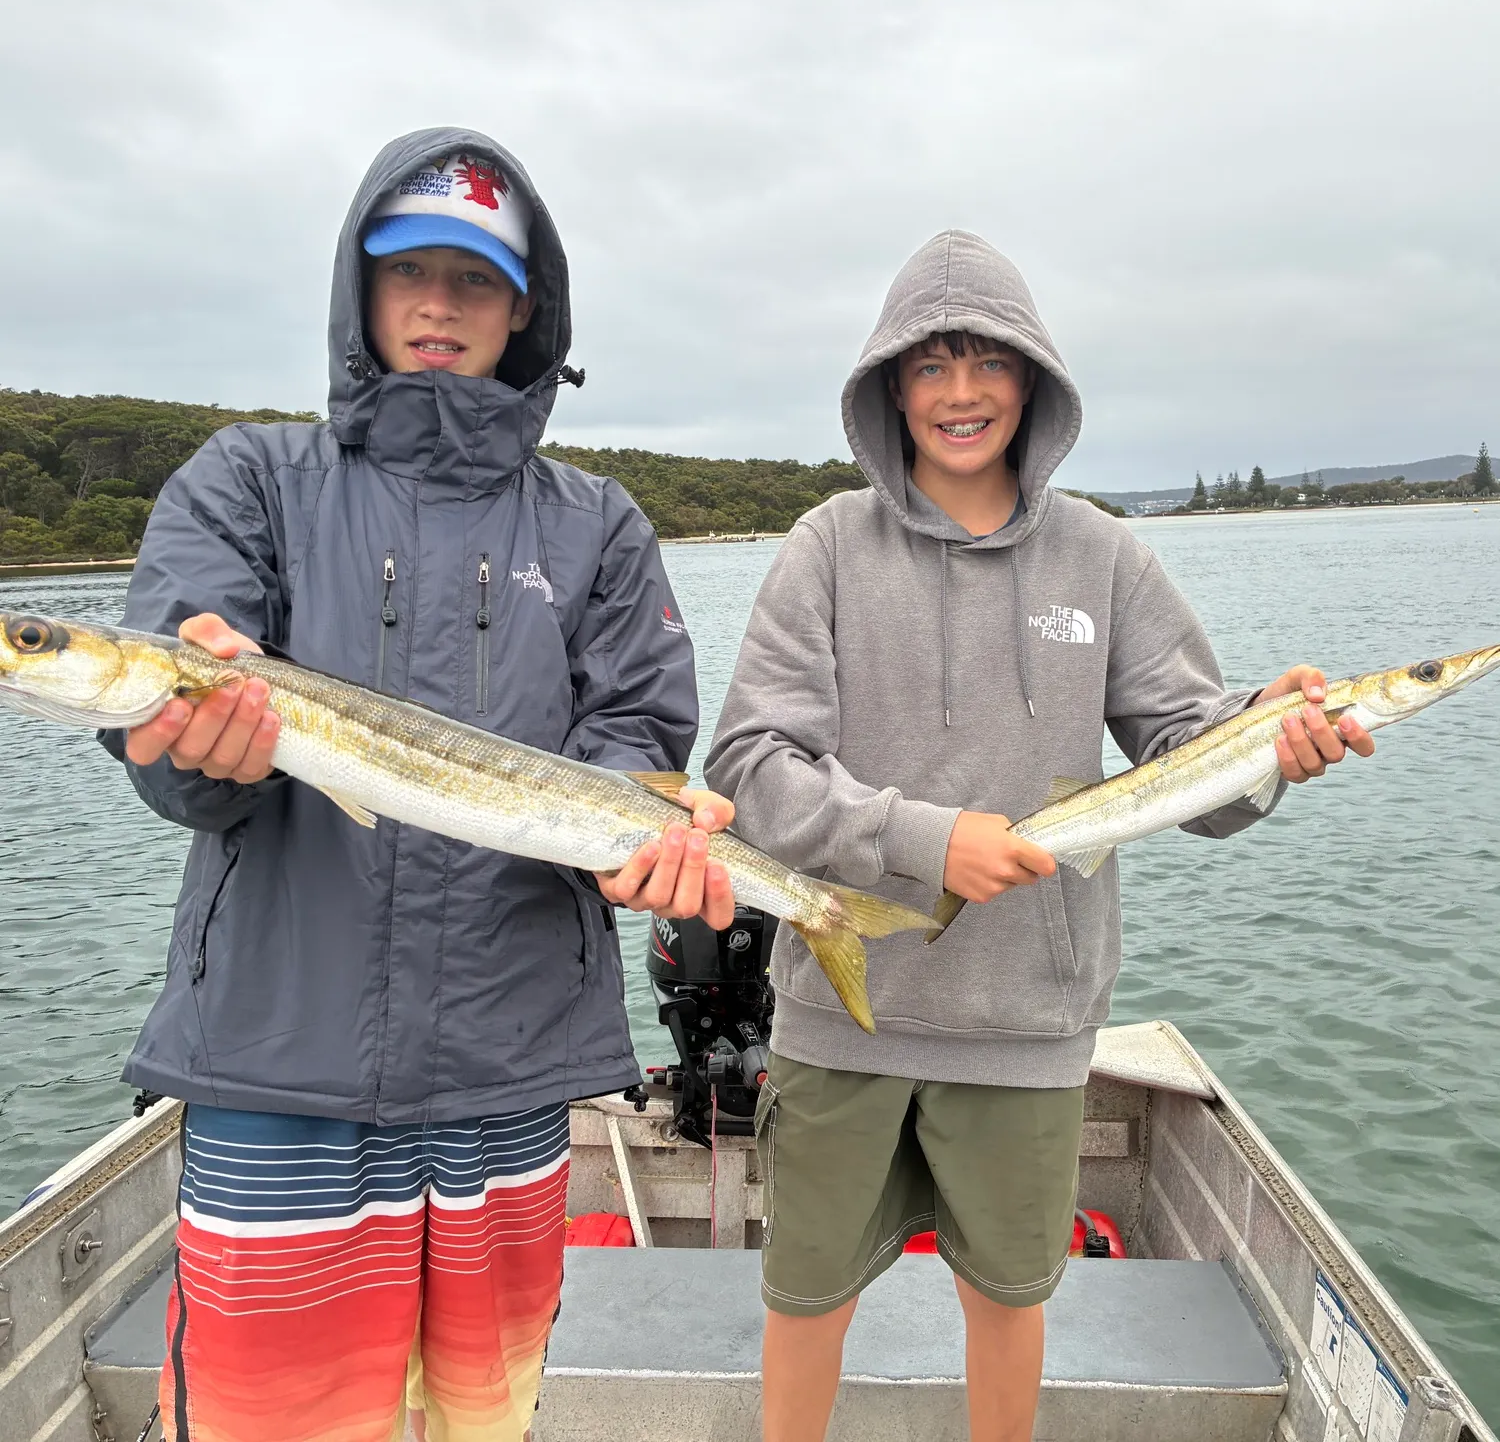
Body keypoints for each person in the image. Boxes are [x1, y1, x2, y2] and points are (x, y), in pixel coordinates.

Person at [102, 127, 732, 1442]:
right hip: (275, 1068)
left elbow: (636, 731)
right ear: (361, 287)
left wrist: (639, 827)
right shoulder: (247, 480)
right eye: (408, 273)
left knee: (483, 1418)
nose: (438, 305)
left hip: (509, 1075)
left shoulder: (596, 523)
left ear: (525, 312)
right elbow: (177, 766)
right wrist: (196, 752)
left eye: (477, 281)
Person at [704, 229, 1374, 1442]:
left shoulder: (1107, 556)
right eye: (930, 366)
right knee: (803, 1298)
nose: (962, 395)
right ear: (889, 389)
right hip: (839, 1017)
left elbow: (1195, 765)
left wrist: (1268, 750)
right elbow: (751, 772)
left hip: (1029, 1022)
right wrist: (925, 838)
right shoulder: (825, 550)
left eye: (989, 363)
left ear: (1034, 380)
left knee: (1010, 1299)